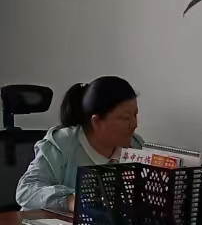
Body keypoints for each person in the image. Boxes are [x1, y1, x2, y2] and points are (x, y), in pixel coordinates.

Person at [16, 76, 144, 213]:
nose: (134, 124)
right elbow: (26, 190)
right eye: (125, 118)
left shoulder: (135, 147)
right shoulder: (62, 143)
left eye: (135, 115)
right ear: (96, 122)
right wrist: (69, 200)